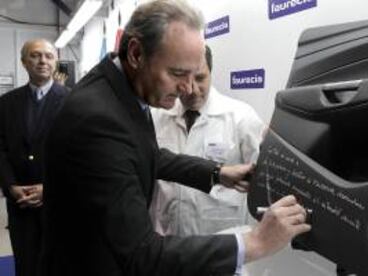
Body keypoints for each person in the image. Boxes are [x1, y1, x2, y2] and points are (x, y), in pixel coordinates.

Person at [40, 1, 311, 276]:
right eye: (178, 74)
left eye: (196, 75)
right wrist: (253, 243)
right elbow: (140, 254)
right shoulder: (98, 119)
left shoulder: (125, 93)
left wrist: (218, 173)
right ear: (135, 54)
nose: (188, 89)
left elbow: (147, 155)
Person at [150, 45, 265, 236]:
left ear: (211, 72)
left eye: (200, 78)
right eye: (182, 77)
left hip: (220, 242)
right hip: (165, 240)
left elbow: (261, 184)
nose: (192, 89)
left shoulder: (241, 117)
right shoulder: (157, 116)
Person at [0, 39, 69, 276]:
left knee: (59, 264)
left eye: (48, 56)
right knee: (26, 265)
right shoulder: (6, 103)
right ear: (23, 62)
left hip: (58, 204)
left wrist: (49, 187)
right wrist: (10, 186)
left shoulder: (74, 102)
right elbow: (0, 151)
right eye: (35, 55)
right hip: (20, 205)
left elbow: (78, 155)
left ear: (55, 62)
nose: (42, 61)